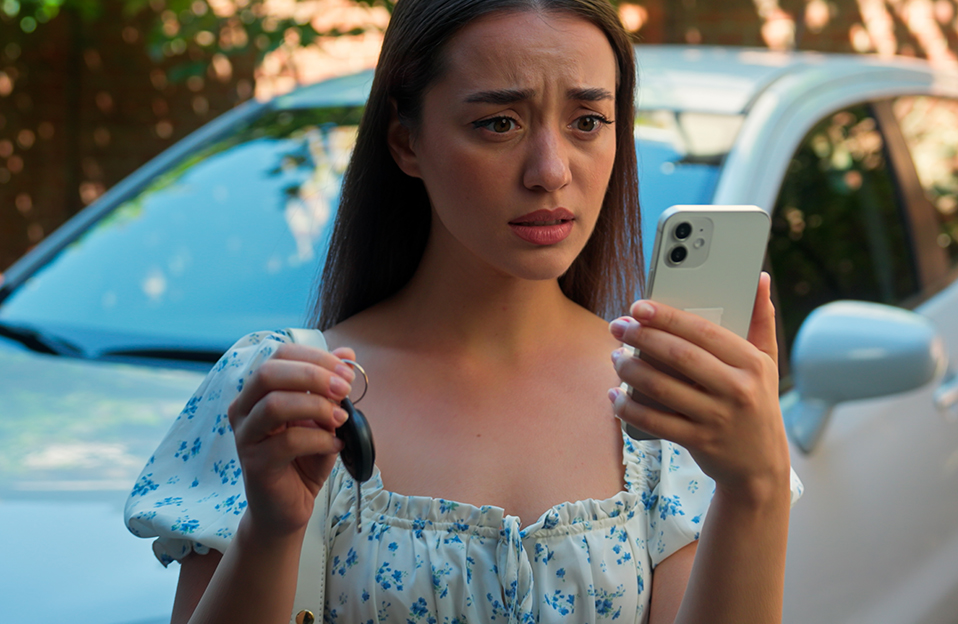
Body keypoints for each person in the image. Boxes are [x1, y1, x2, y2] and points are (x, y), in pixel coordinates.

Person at [125, 0, 802, 622]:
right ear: (406, 142)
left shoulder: (661, 400)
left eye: (588, 121)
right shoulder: (287, 395)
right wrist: (272, 531)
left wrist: (758, 486)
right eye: (498, 123)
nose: (551, 170)